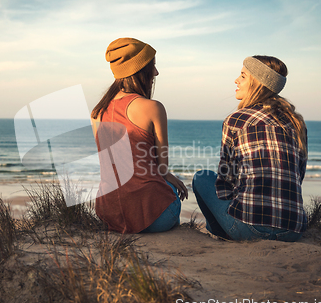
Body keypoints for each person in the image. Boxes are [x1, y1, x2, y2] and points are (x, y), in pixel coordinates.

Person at [193, 55, 308, 242]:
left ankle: (222, 232)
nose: (236, 80)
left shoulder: (236, 120)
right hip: (293, 231)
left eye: (243, 76)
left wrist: (238, 201)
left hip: (249, 229)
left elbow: (226, 180)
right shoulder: (296, 122)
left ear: (258, 83)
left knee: (201, 178)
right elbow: (299, 174)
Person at [91, 37, 188, 234]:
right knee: (170, 186)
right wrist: (168, 176)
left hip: (109, 214)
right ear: (140, 70)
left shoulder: (97, 112)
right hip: (154, 218)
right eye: (152, 66)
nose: (156, 72)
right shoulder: (153, 107)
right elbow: (162, 167)